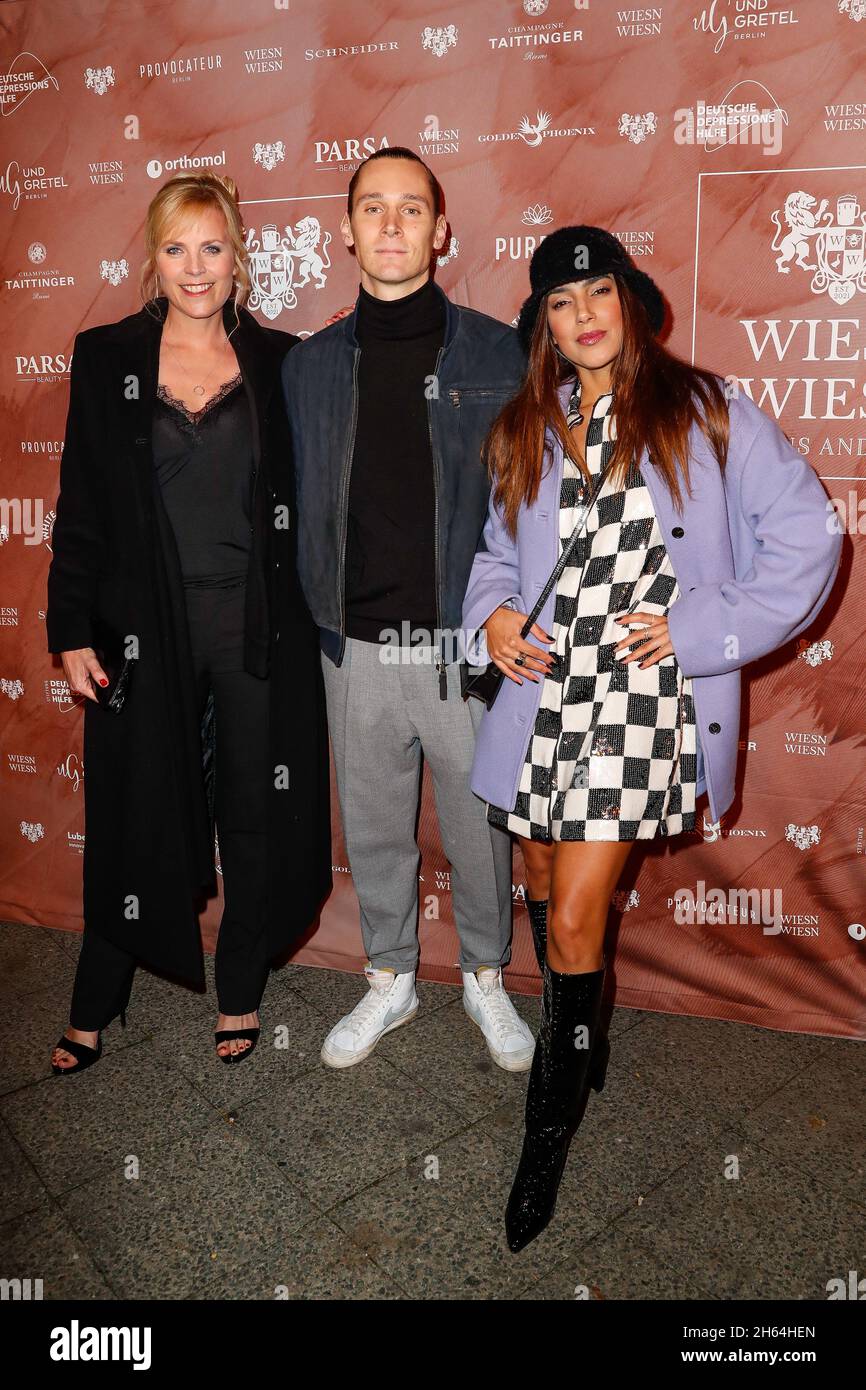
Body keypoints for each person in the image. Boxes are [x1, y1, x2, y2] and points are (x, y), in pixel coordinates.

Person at [461, 225, 842, 1250]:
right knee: (537, 872)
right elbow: (497, 551)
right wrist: (492, 614)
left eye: (598, 292)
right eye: (558, 302)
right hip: (544, 688)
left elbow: (809, 538)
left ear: (631, 299)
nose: (581, 314)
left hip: (642, 697)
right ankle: (579, 1040)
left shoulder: (709, 412)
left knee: (578, 914)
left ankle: (545, 1129)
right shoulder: (526, 425)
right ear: (542, 326)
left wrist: (698, 626)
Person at [46, 170, 331, 1073]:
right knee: (134, 810)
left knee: (256, 810)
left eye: (212, 246)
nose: (195, 267)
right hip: (144, 632)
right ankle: (99, 996)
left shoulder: (284, 361)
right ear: (153, 257)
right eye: (176, 248)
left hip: (257, 630)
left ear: (238, 253)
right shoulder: (105, 357)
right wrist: (71, 627)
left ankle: (238, 982)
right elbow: (80, 506)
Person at [282, 147, 535, 1071]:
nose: (392, 226)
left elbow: (534, 497)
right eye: (373, 208)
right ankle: (388, 975)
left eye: (412, 209)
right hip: (349, 643)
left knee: (480, 829)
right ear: (346, 231)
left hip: (460, 641)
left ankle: (484, 976)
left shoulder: (499, 351)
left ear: (442, 228)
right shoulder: (305, 368)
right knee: (377, 825)